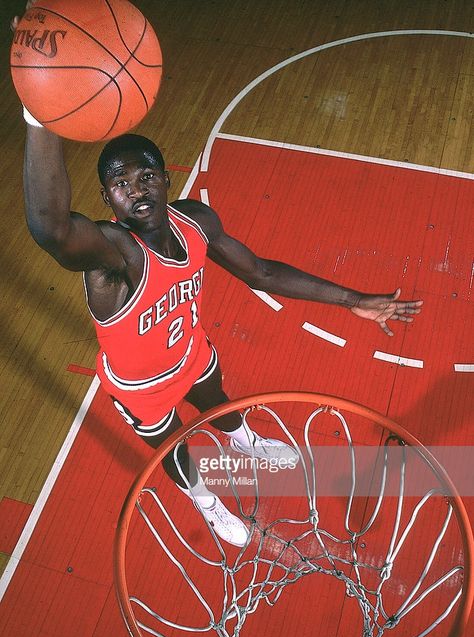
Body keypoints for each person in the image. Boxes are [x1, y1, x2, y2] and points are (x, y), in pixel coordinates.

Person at [13, 11, 423, 548]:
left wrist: (352, 299)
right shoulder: (112, 256)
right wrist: (42, 113)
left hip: (191, 351)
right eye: (118, 183)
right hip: (141, 387)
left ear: (166, 178)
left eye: (145, 175)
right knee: (174, 450)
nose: (135, 189)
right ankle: (207, 502)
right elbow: (49, 228)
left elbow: (261, 271)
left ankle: (243, 439)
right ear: (107, 200)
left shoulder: (195, 221)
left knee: (217, 399)